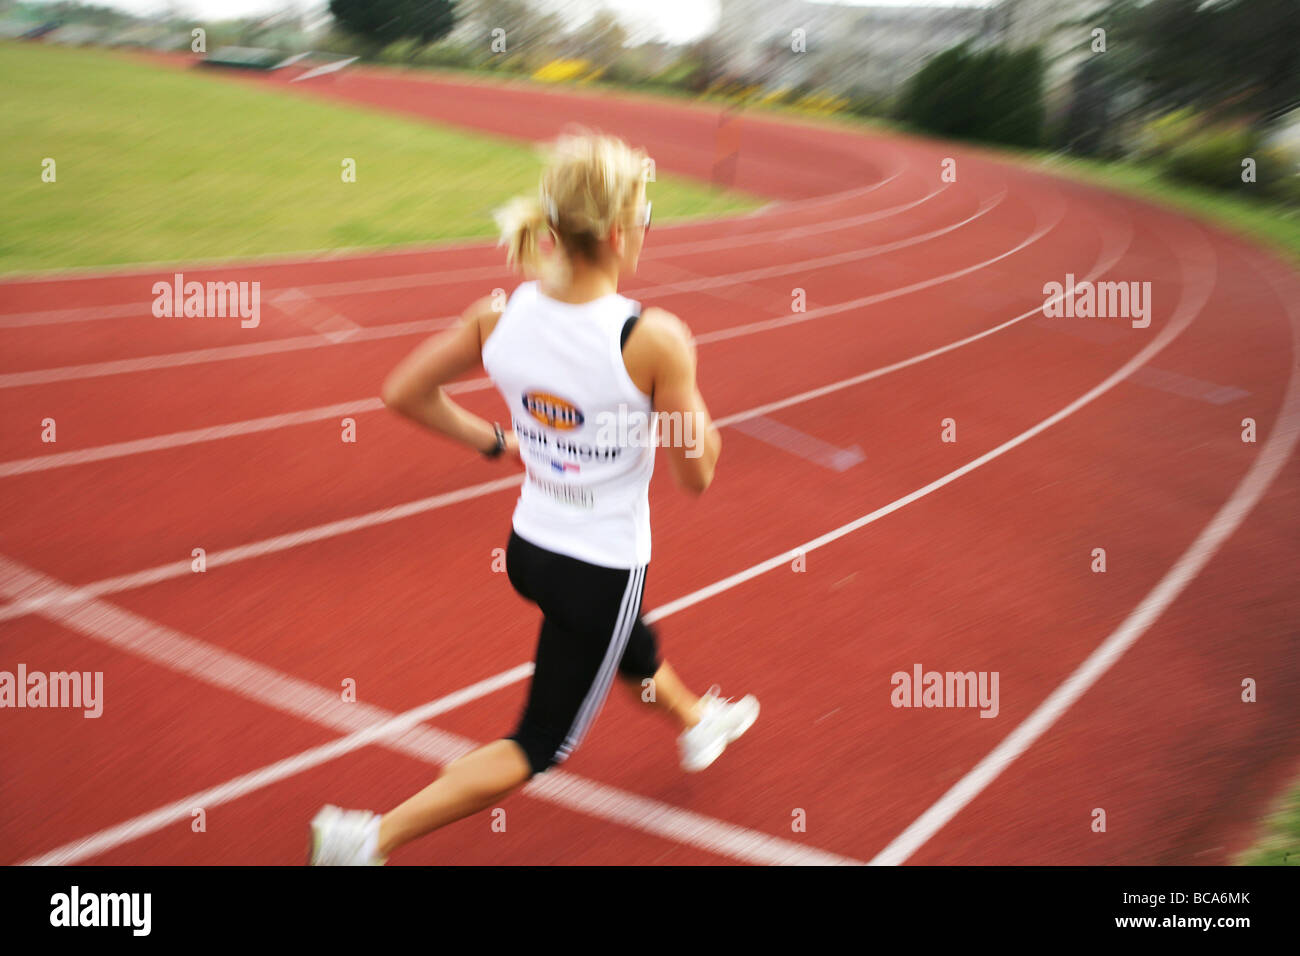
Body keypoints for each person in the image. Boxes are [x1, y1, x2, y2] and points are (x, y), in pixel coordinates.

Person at [309, 131, 758, 865]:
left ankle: (696, 720)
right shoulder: (654, 338)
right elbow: (695, 476)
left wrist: (493, 441)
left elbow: (403, 393)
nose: (648, 232)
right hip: (600, 560)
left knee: (624, 642)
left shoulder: (499, 314)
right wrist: (696, 419)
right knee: (539, 743)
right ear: (617, 234)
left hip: (529, 548)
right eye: (647, 218)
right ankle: (366, 839)